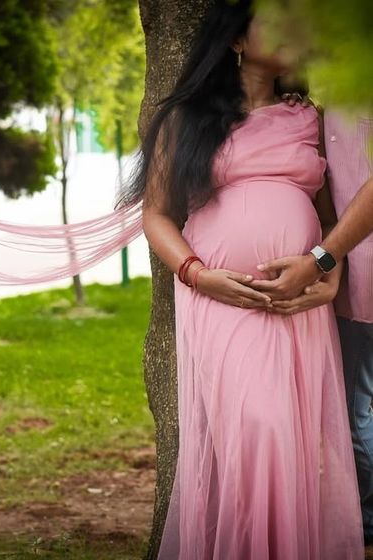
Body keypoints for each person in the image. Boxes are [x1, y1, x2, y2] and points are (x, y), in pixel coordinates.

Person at [115, 0, 365, 557]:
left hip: (299, 304)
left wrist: (329, 271)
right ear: (234, 40)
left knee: (297, 446)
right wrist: (197, 275)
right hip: (222, 301)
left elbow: (331, 216)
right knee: (258, 433)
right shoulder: (186, 118)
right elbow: (156, 214)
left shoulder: (310, 117)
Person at [250, 106, 373, 545]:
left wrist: (322, 260)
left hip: (355, 284)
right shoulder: (321, 113)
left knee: (358, 413)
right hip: (348, 286)